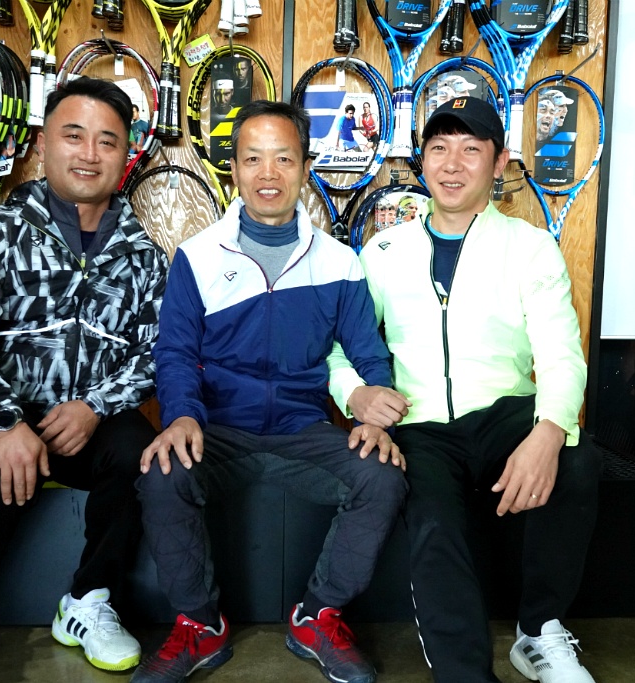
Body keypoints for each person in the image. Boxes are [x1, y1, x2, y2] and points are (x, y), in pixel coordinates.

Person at [0, 77, 170, 683]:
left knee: (138, 452)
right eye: (74, 136)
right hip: (6, 413)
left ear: (126, 154)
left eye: (107, 141)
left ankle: (88, 602)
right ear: (43, 143)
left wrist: (95, 406)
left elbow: (158, 351)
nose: (90, 154)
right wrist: (5, 420)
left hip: (93, 422)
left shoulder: (143, 254)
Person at [130, 100, 408, 683]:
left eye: (283, 158)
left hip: (303, 433)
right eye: (253, 158)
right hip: (218, 432)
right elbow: (175, 352)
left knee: (382, 476)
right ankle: (200, 625)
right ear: (233, 168)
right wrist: (182, 416)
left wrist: (372, 407)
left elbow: (367, 352)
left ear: (305, 167)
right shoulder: (198, 257)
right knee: (162, 474)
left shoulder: (339, 262)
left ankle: (318, 615)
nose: (268, 173)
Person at [328, 96, 602, 683]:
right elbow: (337, 345)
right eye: (439, 148)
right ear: (423, 161)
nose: (452, 164)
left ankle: (539, 632)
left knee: (578, 460)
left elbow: (561, 353)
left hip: (506, 414)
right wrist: (355, 395)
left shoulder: (530, 247)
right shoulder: (383, 251)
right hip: (420, 424)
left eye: (471, 149)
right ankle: (464, 673)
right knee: (432, 518)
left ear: (499, 163)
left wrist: (550, 431)